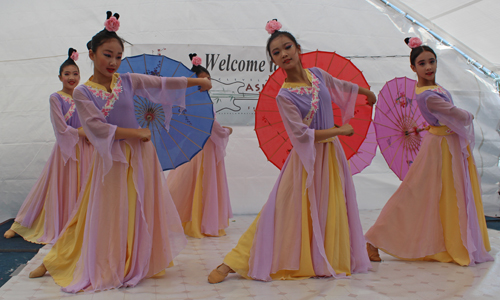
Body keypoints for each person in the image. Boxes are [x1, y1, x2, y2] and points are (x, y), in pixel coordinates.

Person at [28, 12, 212, 292]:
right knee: (101, 212)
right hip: (111, 158)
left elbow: (161, 83)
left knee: (138, 209)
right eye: (107, 55)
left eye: (118, 56)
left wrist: (196, 82)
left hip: (141, 156)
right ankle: (61, 259)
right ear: (91, 54)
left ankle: (132, 258)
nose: (113, 62)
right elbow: (97, 129)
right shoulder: (82, 92)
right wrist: (135, 133)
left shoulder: (126, 80)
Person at [208, 20, 375, 283]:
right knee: (280, 206)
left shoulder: (317, 74)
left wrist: (366, 93)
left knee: (329, 207)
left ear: (298, 49)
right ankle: (234, 262)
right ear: (274, 60)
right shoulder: (284, 97)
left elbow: (340, 85)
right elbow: (301, 134)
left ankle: (323, 256)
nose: (284, 54)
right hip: (306, 160)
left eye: (287, 47)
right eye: (276, 52)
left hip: (331, 157)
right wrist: (339, 131)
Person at [365, 37, 492, 266]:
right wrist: (468, 115)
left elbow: (444, 114)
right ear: (413, 68)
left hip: (443, 144)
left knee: (436, 196)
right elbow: (457, 114)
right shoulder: (428, 94)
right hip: (440, 149)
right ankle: (373, 239)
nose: (428, 67)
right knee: (416, 194)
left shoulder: (430, 88)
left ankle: (444, 240)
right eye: (422, 63)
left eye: (431, 61)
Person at [4, 49, 93, 244]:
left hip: (86, 150)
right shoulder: (56, 97)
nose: (71, 77)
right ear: (59, 76)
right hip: (66, 150)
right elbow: (60, 127)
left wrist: (90, 132)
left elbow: (91, 120)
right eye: (67, 74)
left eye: (75, 73)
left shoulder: (84, 96)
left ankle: (79, 226)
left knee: (84, 188)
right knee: (53, 188)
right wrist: (81, 132)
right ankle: (20, 224)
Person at [166, 54, 233, 238]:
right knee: (201, 181)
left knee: (194, 181)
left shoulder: (190, 99)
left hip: (197, 144)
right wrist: (226, 132)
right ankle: (199, 220)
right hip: (204, 146)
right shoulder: (198, 100)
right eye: (202, 79)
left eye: (208, 79)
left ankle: (196, 217)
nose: (207, 82)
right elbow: (211, 124)